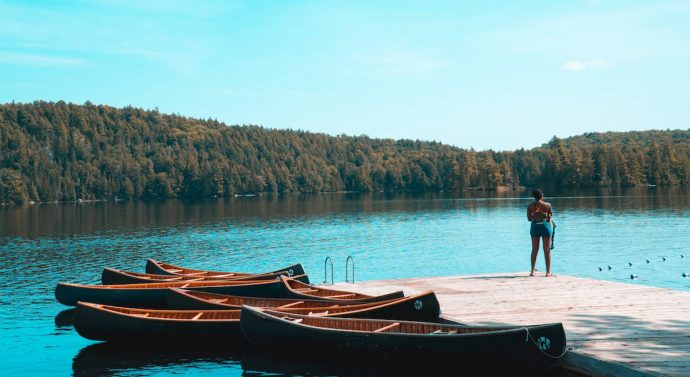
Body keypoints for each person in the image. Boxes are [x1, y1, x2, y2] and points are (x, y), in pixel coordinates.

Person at [527, 189, 554, 277]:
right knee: (547, 250)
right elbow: (551, 215)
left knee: (535, 249)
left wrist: (535, 216)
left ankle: (532, 271)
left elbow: (529, 219)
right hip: (545, 226)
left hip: (535, 226)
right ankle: (548, 272)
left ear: (534, 196)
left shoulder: (530, 206)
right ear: (541, 196)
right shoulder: (548, 205)